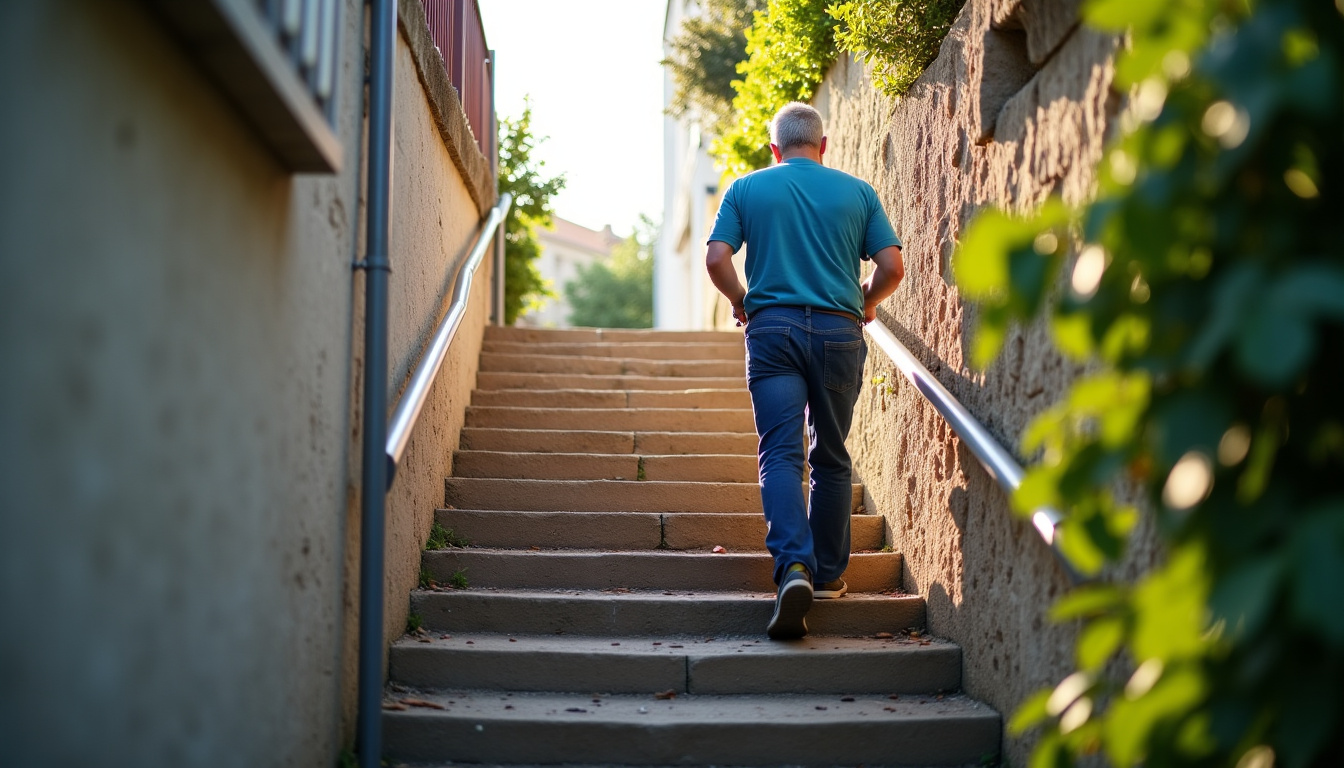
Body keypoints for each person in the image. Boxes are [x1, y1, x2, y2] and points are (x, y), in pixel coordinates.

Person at [705, 102, 905, 640]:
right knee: (832, 455)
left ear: (774, 148)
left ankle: (794, 565)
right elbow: (891, 268)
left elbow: (717, 259)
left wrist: (743, 300)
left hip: (772, 331)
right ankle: (829, 576)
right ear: (824, 144)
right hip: (840, 331)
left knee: (780, 453)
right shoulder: (857, 192)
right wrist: (866, 301)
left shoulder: (746, 189)